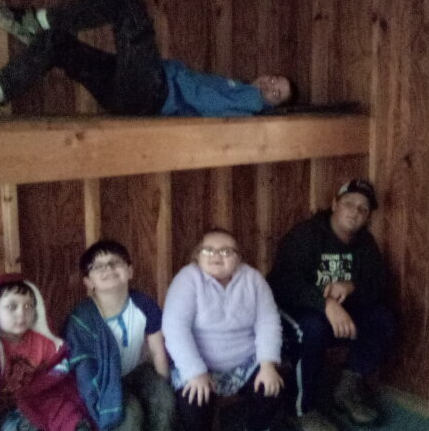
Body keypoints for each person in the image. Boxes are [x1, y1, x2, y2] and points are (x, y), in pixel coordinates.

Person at [0, 0, 294, 115]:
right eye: (274, 79)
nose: (269, 86)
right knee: (59, 44)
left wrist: (178, 74)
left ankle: (37, 21)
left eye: (276, 93)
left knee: (125, 2)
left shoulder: (250, 100)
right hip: (130, 96)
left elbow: (202, 98)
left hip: (154, 92)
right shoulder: (239, 89)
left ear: (272, 104)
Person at [267, 179, 397, 431]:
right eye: (349, 203)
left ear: (368, 215)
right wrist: (325, 303)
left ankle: (346, 390)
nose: (355, 212)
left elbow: (378, 284)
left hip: (335, 314)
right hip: (292, 311)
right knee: (312, 328)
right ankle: (300, 410)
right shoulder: (307, 235)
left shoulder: (365, 243)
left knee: (382, 318)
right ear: (334, 204)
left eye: (363, 208)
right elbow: (284, 284)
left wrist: (352, 286)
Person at [162, 229, 284, 431]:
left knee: (271, 389)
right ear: (197, 256)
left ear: (239, 258)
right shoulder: (187, 279)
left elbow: (268, 322)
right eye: (208, 250)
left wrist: (268, 364)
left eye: (226, 251)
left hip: (244, 362)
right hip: (199, 363)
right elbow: (174, 327)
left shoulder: (253, 280)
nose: (216, 256)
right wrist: (194, 371)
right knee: (194, 401)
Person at [0, 273, 92, 431]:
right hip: (0, 409)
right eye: (11, 307)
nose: (21, 314)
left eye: (28, 306)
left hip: (37, 400)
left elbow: (57, 376)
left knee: (72, 420)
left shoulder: (43, 342)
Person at [63, 240, 175, 431]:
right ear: (88, 282)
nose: (108, 268)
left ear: (130, 271)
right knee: (129, 415)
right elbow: (85, 370)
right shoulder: (82, 319)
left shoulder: (143, 304)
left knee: (164, 399)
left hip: (135, 371)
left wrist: (165, 384)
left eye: (116, 262)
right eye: (98, 266)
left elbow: (158, 352)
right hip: (103, 380)